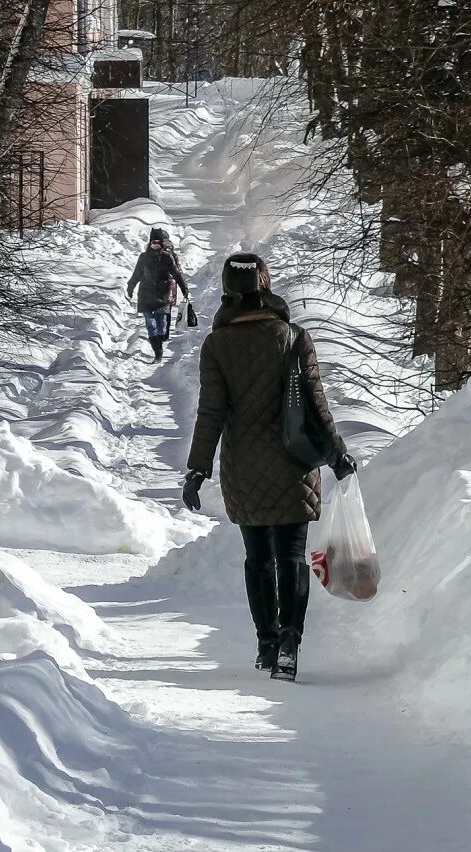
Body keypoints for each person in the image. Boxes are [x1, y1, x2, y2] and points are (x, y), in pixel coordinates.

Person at [181, 252, 356, 681]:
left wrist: (198, 469)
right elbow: (317, 405)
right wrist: (336, 454)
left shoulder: (218, 345)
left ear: (228, 289)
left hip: (243, 466)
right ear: (266, 285)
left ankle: (266, 642)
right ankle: (290, 643)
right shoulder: (293, 337)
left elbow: (211, 413)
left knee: (257, 557)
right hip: (294, 463)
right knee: (292, 556)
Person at [126, 227, 188, 362]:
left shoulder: (167, 257)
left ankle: (159, 344)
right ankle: (158, 353)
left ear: (162, 244)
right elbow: (136, 274)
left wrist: (184, 288)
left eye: (158, 243)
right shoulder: (143, 257)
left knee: (162, 325)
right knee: (151, 324)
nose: (155, 245)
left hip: (163, 296)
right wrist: (130, 286)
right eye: (153, 242)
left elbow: (176, 274)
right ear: (150, 243)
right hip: (146, 295)